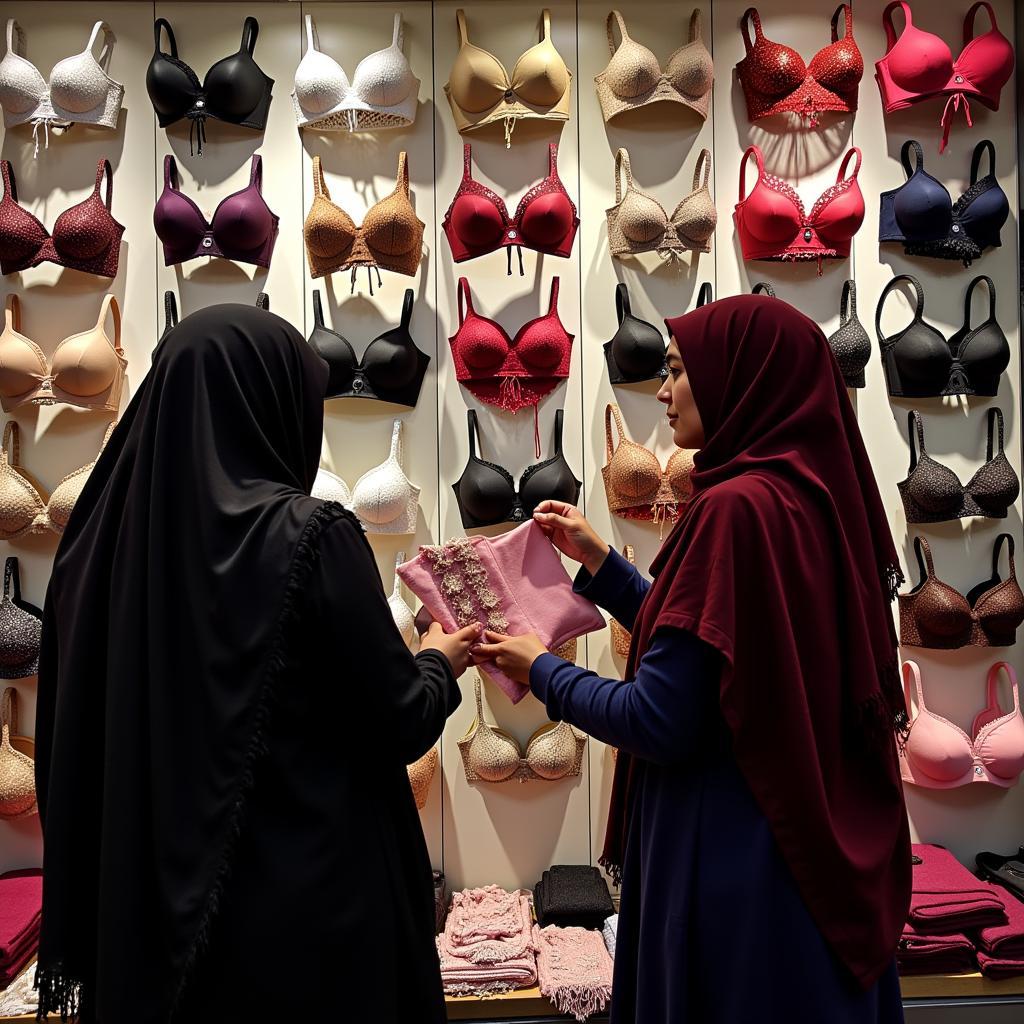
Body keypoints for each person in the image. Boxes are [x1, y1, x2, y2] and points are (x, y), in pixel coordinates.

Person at [33, 305, 478, 1024]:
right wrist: (436, 660)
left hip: (152, 937)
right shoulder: (309, 535)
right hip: (305, 926)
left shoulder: (97, 548)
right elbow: (401, 720)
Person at [475, 294, 912, 1023]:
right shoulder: (806, 499)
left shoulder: (732, 509)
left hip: (735, 859)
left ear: (742, 378)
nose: (665, 390)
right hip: (803, 851)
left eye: (680, 371)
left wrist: (541, 669)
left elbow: (661, 717)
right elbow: (729, 655)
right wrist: (605, 567)